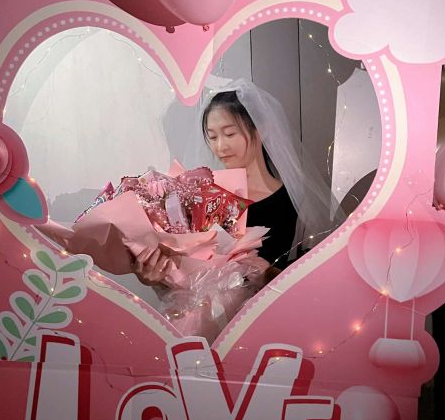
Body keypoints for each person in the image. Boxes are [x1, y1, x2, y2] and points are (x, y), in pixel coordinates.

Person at [133, 79, 338, 286]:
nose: (220, 147)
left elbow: (319, 277)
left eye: (230, 134)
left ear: (261, 129)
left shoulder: (296, 201)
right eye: (213, 137)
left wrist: (270, 275)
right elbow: (187, 272)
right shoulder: (203, 198)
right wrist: (157, 275)